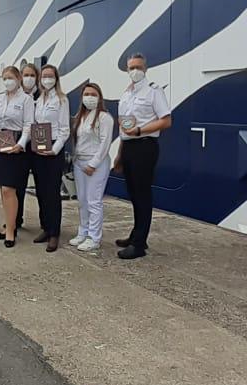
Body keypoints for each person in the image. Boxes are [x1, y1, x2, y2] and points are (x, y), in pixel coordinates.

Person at [113, 52, 172, 260]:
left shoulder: (153, 91)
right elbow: (124, 127)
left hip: (145, 146)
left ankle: (139, 245)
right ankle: (137, 235)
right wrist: (119, 154)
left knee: (142, 194)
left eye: (138, 67)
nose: (135, 71)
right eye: (131, 68)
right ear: (127, 70)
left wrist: (139, 130)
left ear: (145, 68)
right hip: (128, 147)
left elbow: (166, 121)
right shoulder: (127, 94)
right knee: (133, 193)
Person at [0, 65, 34, 248]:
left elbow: (29, 124)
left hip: (17, 145)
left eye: (11, 78)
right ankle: (9, 224)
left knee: (10, 189)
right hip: (1, 142)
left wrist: (21, 144)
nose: (8, 81)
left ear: (18, 79)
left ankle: (10, 231)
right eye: (5, 78)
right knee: (3, 189)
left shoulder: (26, 99)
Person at [28, 64, 70, 252]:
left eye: (50, 76)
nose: (47, 79)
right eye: (44, 76)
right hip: (38, 146)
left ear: (56, 79)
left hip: (54, 148)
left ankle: (54, 232)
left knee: (52, 192)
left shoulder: (61, 100)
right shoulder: (38, 99)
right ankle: (45, 227)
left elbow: (64, 130)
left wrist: (55, 149)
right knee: (40, 190)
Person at [70, 81, 114, 252]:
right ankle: (83, 231)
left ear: (100, 97)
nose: (89, 98)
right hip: (79, 163)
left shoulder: (104, 117)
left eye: (93, 95)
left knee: (93, 201)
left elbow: (105, 143)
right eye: (86, 94)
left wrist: (93, 164)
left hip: (96, 164)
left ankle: (94, 237)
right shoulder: (80, 117)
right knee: (82, 200)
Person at [1, 60, 41, 240]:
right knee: (14, 186)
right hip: (16, 145)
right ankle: (14, 221)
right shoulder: (10, 95)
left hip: (38, 145)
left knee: (41, 187)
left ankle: (47, 226)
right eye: (26, 75)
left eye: (32, 75)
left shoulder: (41, 95)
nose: (28, 78)